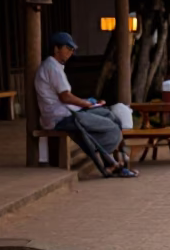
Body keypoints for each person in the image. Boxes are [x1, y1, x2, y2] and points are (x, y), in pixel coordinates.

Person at [35, 31, 137, 178]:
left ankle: (115, 161)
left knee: (109, 115)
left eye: (72, 49)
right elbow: (65, 97)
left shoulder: (54, 66)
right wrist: (86, 104)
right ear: (56, 49)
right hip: (60, 117)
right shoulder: (52, 67)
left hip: (66, 113)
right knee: (111, 126)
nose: (71, 52)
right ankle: (112, 164)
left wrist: (89, 103)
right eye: (67, 48)